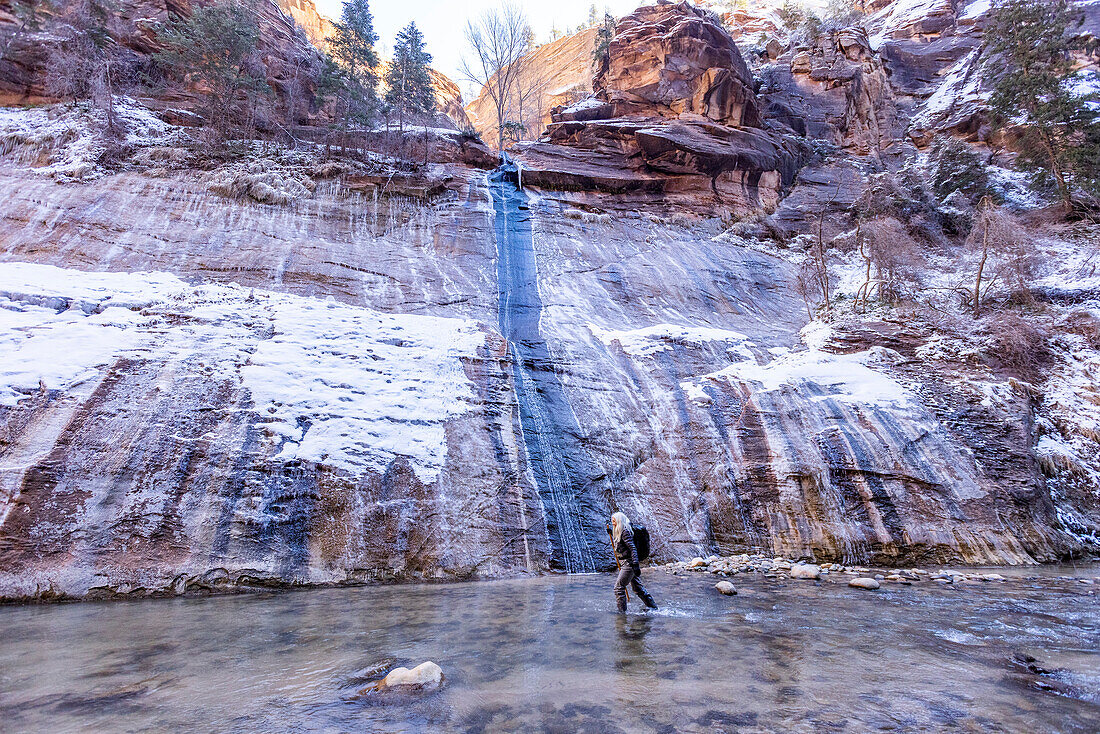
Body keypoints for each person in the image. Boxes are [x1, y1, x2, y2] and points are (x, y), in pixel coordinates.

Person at [610, 511, 657, 613]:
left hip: (629, 564)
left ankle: (622, 614)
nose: (612, 523)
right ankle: (653, 607)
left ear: (619, 521)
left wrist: (635, 564)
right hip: (626, 563)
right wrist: (611, 532)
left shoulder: (625, 532)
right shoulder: (620, 531)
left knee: (618, 588)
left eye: (614, 521)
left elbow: (633, 548)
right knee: (638, 588)